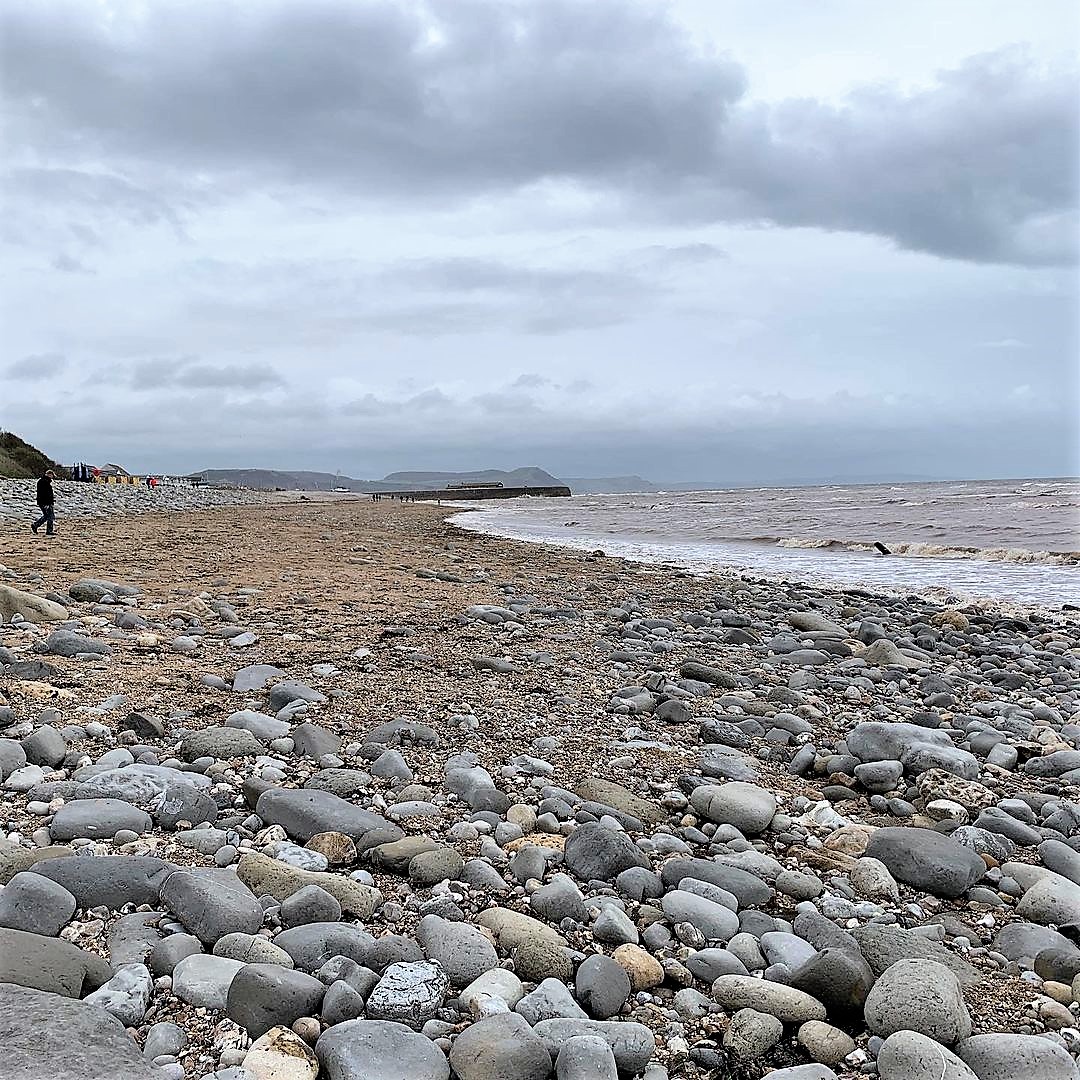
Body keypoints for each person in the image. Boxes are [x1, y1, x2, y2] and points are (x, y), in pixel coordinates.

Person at [32, 470, 57, 535]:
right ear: (49, 474)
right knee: (50, 516)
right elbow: (45, 494)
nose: (52, 478)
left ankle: (35, 525)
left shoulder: (42, 481)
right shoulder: (44, 482)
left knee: (46, 516)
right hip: (45, 502)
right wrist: (47, 503)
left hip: (42, 502)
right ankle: (49, 531)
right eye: (52, 476)